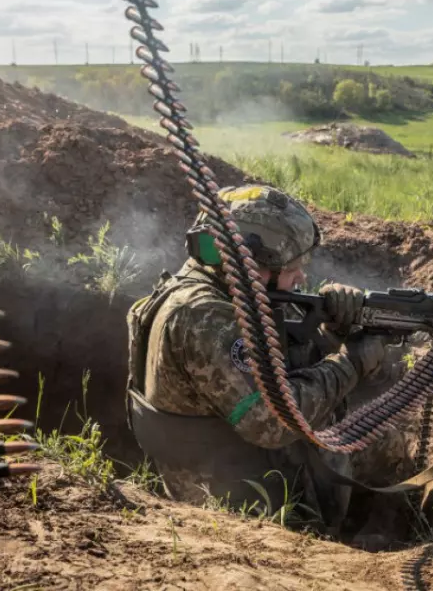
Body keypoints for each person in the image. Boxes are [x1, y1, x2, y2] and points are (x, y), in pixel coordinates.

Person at [125, 184, 413, 538]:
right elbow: (273, 423)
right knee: (384, 441)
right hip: (232, 501)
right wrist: (350, 363)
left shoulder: (195, 292)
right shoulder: (207, 318)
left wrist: (332, 331)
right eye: (293, 266)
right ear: (251, 262)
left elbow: (274, 371)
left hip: (215, 468)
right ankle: (349, 540)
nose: (301, 277)